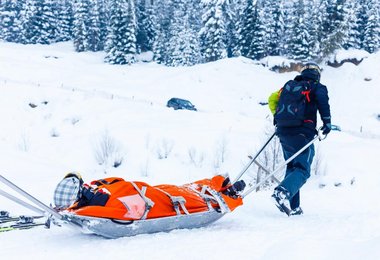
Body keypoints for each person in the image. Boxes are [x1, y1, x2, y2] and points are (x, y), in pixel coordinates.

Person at [268, 62, 331, 216]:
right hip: (303, 132)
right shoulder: (317, 87)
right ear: (317, 74)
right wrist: (327, 122)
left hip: (283, 131)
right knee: (302, 170)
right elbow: (323, 103)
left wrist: (280, 118)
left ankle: (294, 207)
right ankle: (282, 193)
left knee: (292, 167)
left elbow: (271, 99)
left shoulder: (288, 87)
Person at [53, 172, 245, 220]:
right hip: (156, 193)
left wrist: (72, 213)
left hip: (159, 196)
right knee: (190, 191)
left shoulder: (101, 203)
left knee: (195, 197)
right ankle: (225, 187)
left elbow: (126, 212)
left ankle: (228, 191)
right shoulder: (98, 186)